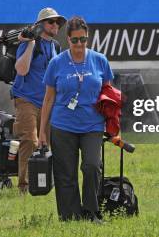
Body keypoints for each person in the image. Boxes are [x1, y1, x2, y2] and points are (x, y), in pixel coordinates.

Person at [39, 16, 114, 223]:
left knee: (92, 166)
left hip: (92, 125)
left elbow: (109, 95)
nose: (79, 45)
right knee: (65, 174)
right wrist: (42, 132)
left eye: (83, 39)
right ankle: (70, 216)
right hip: (63, 125)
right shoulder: (57, 63)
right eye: (75, 40)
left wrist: (113, 123)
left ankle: (91, 211)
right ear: (68, 39)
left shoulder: (100, 60)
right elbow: (48, 99)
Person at [12, 7, 65, 193]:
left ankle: (44, 184)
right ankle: (25, 187)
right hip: (26, 99)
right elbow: (21, 70)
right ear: (40, 25)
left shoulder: (56, 47)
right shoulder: (27, 43)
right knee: (30, 141)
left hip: (48, 102)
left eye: (57, 22)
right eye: (51, 22)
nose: (55, 25)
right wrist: (31, 44)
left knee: (47, 144)